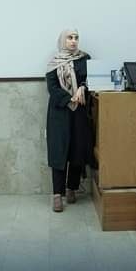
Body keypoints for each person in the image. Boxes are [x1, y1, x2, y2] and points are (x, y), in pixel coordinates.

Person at [45, 29, 92, 213]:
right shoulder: (54, 62)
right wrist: (69, 98)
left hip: (79, 111)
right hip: (59, 112)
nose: (73, 41)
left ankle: (72, 188)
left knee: (77, 150)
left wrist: (82, 87)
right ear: (63, 40)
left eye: (76, 38)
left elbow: (90, 79)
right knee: (59, 152)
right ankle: (57, 194)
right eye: (69, 38)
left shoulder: (85, 59)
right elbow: (52, 88)